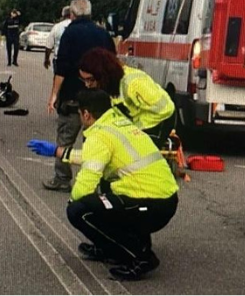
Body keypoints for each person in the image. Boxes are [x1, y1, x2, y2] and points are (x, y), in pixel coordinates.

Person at [27, 89, 179, 281]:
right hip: (162, 200)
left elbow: (88, 179)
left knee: (80, 212)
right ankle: (111, 247)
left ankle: (141, 258)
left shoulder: (99, 136)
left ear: (86, 114)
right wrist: (58, 152)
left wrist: (74, 203)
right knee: (104, 195)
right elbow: (95, 157)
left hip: (150, 205)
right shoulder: (117, 123)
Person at [44, 0, 115, 191]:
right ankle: (93, 180)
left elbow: (63, 67)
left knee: (66, 137)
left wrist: (54, 95)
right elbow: (113, 62)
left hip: (72, 97)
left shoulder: (70, 32)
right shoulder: (103, 34)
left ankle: (61, 179)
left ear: (72, 15)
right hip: (99, 98)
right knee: (94, 141)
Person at [79, 48, 176, 144]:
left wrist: (135, 127)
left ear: (102, 74)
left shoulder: (134, 83)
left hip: (159, 122)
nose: (87, 85)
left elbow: (165, 109)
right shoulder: (112, 83)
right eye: (84, 80)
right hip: (144, 122)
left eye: (90, 79)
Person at [43, 6, 72, 72]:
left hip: (59, 59)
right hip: (74, 60)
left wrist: (46, 59)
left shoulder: (57, 27)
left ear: (63, 15)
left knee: (58, 80)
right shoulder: (78, 26)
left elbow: (49, 45)